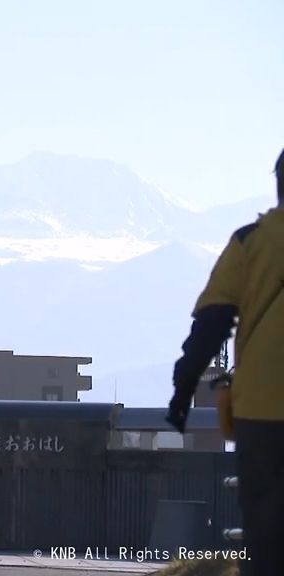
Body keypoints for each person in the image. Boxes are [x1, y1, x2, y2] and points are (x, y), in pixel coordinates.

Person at [166, 149, 284, 576]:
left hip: (261, 411)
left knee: (265, 527)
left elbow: (212, 322)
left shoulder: (250, 243)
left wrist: (182, 393)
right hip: (258, 408)